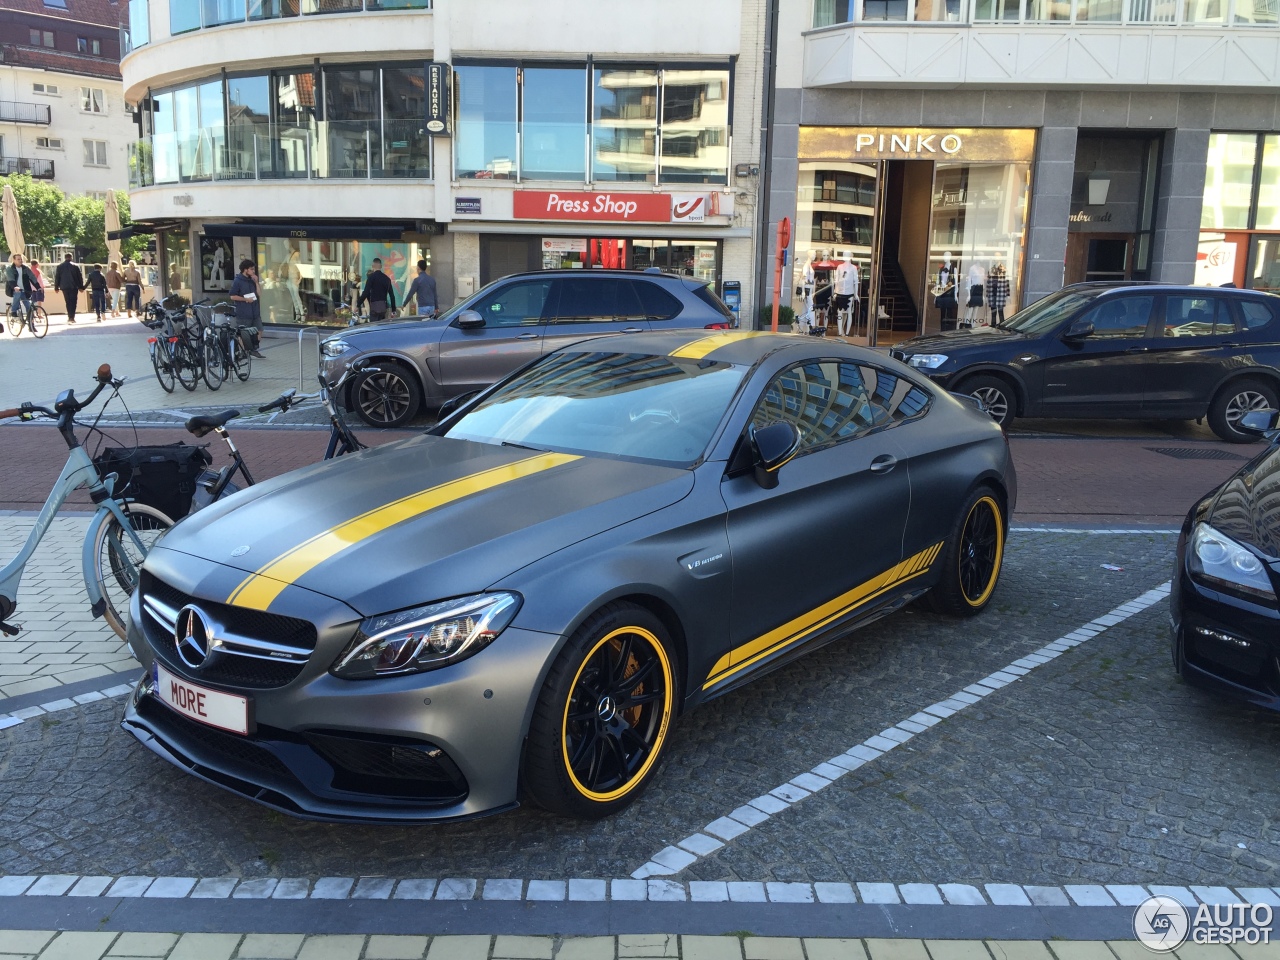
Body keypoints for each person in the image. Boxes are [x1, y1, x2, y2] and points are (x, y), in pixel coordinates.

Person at [229, 259, 266, 358]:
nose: (253, 271)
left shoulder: (252, 280)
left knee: (259, 329)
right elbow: (232, 296)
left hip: (254, 311)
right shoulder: (237, 281)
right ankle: (243, 351)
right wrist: (245, 299)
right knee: (243, 333)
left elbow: (259, 294)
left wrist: (257, 282)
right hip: (243, 312)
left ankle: (253, 349)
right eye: (251, 269)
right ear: (245, 270)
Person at [5, 253, 39, 325]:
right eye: (18, 259)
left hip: (25, 290)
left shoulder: (25, 268)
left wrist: (38, 287)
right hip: (13, 289)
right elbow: (11, 279)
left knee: (29, 306)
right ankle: (13, 311)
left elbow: (32, 277)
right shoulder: (10, 269)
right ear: (14, 260)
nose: (20, 261)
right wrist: (15, 287)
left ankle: (31, 325)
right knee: (18, 293)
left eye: (21, 259)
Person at [833, 255, 860, 337]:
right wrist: (835, 291)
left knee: (849, 312)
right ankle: (840, 332)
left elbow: (856, 281)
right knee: (839, 312)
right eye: (845, 255)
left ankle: (847, 332)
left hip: (849, 293)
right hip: (840, 293)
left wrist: (856, 294)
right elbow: (836, 280)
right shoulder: (840, 267)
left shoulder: (853, 268)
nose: (846, 257)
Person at [53, 253, 84, 325]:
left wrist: (56, 287)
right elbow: (80, 277)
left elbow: (57, 277)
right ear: (71, 257)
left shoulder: (60, 266)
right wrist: (81, 287)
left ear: (65, 257)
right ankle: (72, 317)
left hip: (64, 287)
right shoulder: (76, 266)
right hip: (74, 286)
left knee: (67, 301)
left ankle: (69, 316)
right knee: (73, 301)